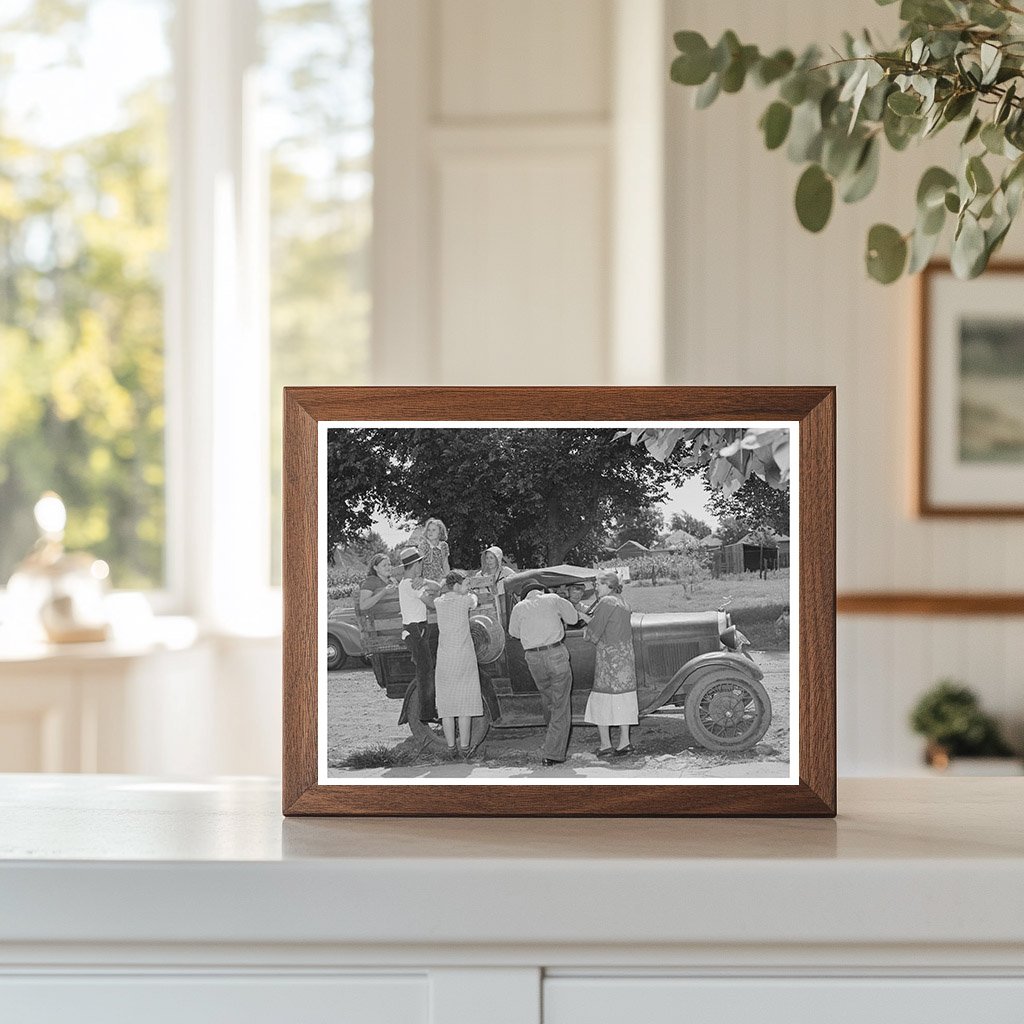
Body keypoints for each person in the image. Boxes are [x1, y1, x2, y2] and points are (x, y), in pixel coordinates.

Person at [508, 580, 579, 766]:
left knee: (548, 700)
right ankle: (553, 753)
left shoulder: (519, 607)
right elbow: (573, 619)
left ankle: (551, 741)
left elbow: (513, 632)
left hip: (533, 658)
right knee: (561, 704)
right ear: (541, 590)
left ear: (526, 595)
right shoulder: (553, 599)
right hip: (555, 653)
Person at [579, 572, 639, 758]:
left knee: (601, 701)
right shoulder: (622, 602)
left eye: (598, 584)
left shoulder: (606, 602)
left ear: (608, 585)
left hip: (609, 661)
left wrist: (583, 620)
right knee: (624, 700)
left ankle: (605, 744)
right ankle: (624, 743)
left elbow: (595, 630)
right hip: (625, 660)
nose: (596, 587)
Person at [433, 570, 483, 757]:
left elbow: (437, 595)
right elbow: (475, 600)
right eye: (465, 584)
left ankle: (450, 748)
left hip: (445, 658)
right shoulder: (465, 600)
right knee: (465, 704)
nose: (467, 587)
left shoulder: (439, 603)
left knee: (447, 707)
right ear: (456, 586)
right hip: (463, 658)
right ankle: (464, 748)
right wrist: (470, 593)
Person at [395, 546, 440, 722]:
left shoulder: (409, 583)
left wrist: (426, 582)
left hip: (416, 628)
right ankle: (427, 713)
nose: (421, 567)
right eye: (420, 564)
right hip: (416, 629)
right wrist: (443, 600)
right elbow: (431, 602)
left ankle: (427, 711)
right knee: (425, 672)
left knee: (426, 670)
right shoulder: (410, 585)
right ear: (415, 565)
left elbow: (436, 587)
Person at [418, 517, 451, 583]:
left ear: (440, 532)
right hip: (426, 579)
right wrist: (419, 578)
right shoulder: (424, 545)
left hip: (439, 578)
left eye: (434, 530)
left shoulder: (443, 546)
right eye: (428, 530)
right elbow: (419, 563)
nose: (430, 532)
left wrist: (448, 579)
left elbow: (445, 564)